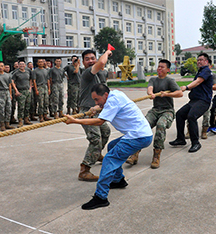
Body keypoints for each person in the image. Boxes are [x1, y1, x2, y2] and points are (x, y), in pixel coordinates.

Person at [64, 84, 153, 210]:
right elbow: (106, 106)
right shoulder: (115, 94)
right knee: (112, 146)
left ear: (105, 95)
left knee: (109, 159)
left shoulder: (112, 101)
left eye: (97, 99)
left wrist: (76, 121)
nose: (96, 102)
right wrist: (96, 108)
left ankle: (101, 197)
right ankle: (118, 180)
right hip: (142, 134)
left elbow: (99, 121)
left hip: (138, 137)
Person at [127, 59, 181, 169]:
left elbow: (179, 93)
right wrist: (151, 93)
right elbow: (150, 88)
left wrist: (166, 94)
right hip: (155, 110)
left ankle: (156, 155)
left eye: (162, 67)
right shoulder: (153, 79)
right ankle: (135, 154)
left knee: (161, 125)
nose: (159, 68)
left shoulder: (170, 81)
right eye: (158, 66)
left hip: (167, 111)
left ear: (167, 70)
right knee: (143, 125)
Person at [75, 49, 113, 181]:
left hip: (96, 111)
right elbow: (102, 62)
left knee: (106, 132)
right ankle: (84, 170)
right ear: (83, 62)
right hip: (87, 112)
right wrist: (107, 52)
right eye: (87, 59)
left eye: (93, 58)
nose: (91, 61)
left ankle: (95, 154)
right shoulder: (87, 73)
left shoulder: (97, 75)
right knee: (95, 139)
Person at [171, 53, 215, 153]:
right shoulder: (200, 72)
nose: (198, 61)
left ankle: (196, 143)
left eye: (201, 60)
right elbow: (197, 85)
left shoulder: (206, 71)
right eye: (198, 60)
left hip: (203, 101)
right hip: (194, 101)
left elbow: (198, 82)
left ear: (206, 61)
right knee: (179, 114)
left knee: (191, 116)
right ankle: (181, 139)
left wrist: (186, 87)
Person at [0, 61, 15, 131]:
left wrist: (10, 94)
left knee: (8, 108)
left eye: (2, 66)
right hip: (0, 92)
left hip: (7, 92)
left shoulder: (8, 75)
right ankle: (2, 124)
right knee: (1, 109)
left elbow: (9, 85)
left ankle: (7, 123)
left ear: (4, 67)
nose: (0, 67)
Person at [12, 60, 34, 127]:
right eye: (20, 64)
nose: (22, 65)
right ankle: (20, 120)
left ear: (25, 65)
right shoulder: (16, 73)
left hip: (27, 91)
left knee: (27, 106)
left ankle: (26, 119)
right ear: (18, 65)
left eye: (23, 64)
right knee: (21, 107)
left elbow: (30, 79)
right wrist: (16, 91)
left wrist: (30, 88)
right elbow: (12, 81)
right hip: (20, 91)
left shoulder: (27, 72)